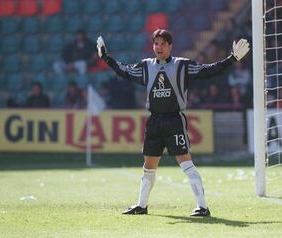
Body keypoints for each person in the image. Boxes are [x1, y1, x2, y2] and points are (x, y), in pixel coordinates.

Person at [96, 29, 249, 216]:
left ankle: (203, 207)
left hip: (174, 120)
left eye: (162, 43)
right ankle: (141, 206)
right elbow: (125, 71)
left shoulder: (181, 65)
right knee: (148, 167)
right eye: (156, 43)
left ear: (170, 46)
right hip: (154, 122)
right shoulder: (146, 66)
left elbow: (208, 71)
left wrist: (232, 59)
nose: (158, 47)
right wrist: (106, 58)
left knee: (186, 164)